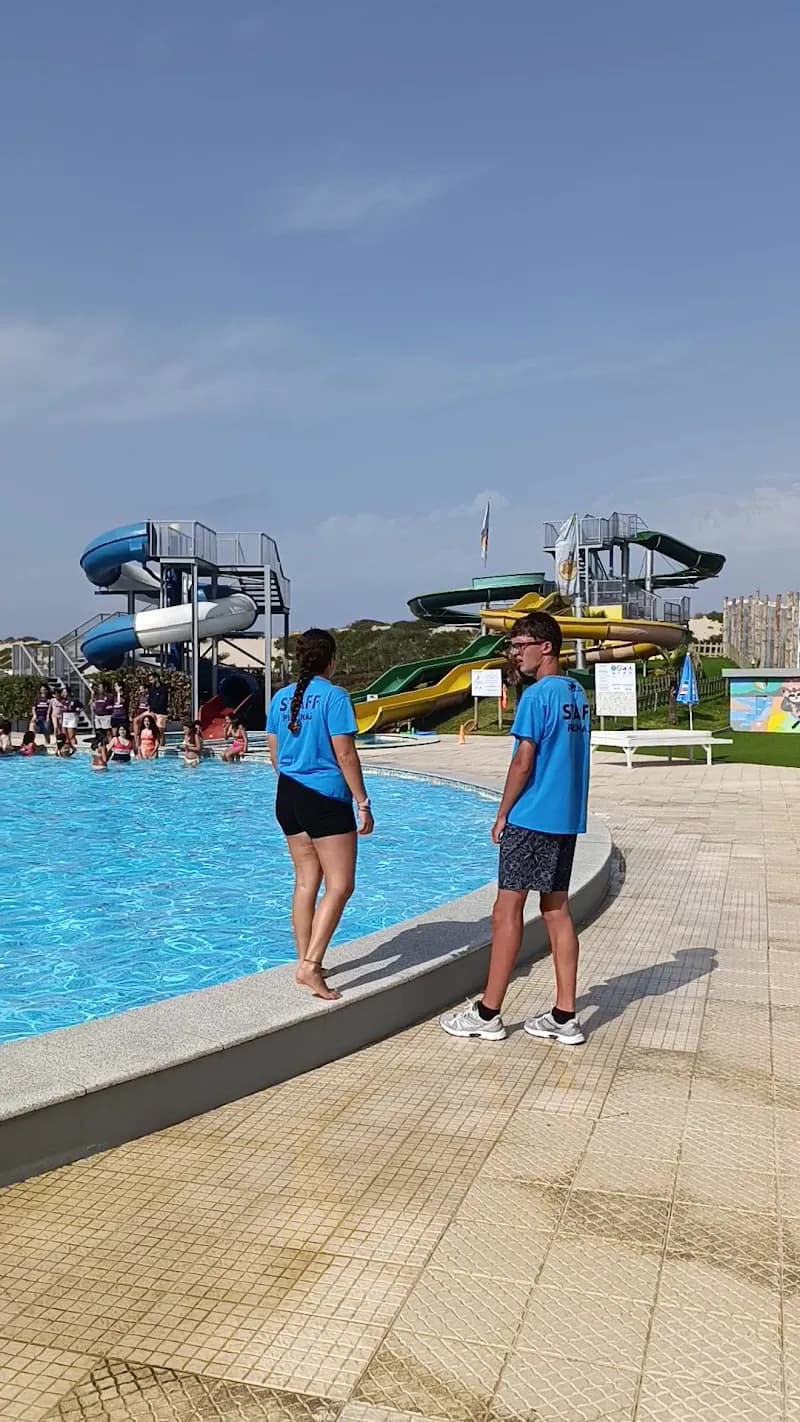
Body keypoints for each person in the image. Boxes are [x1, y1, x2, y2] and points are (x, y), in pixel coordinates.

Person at [440, 611, 591, 1045]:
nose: (514, 654)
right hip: (564, 820)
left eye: (519, 645)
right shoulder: (576, 693)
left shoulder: (537, 696)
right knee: (556, 910)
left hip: (531, 818)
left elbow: (523, 761)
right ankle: (565, 1015)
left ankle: (488, 1012)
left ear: (546, 647)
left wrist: (502, 812)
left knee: (506, 912)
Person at [266, 627, 374, 1001]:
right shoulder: (334, 696)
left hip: (288, 796)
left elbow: (275, 755)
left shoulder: (280, 698)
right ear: (331, 659)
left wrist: (295, 780)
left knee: (305, 881)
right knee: (341, 885)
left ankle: (304, 958)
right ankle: (311, 967)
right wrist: (362, 801)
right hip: (324, 796)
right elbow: (345, 754)